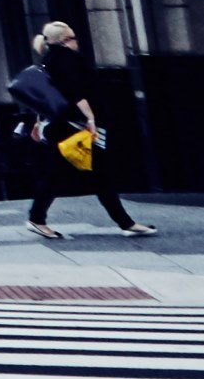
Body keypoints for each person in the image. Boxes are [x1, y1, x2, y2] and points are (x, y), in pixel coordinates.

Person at [14, 21, 151, 237]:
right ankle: (37, 218)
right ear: (66, 41)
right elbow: (75, 91)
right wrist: (91, 118)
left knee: (89, 174)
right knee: (87, 174)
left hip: (63, 125)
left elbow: (48, 96)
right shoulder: (68, 59)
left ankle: (125, 223)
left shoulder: (49, 60)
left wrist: (39, 122)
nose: (77, 42)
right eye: (74, 37)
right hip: (76, 126)